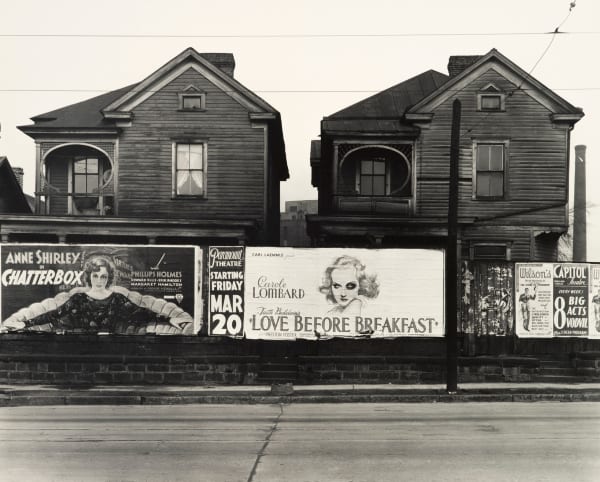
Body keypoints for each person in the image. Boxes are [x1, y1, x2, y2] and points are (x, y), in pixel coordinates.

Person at [2, 255, 190, 334]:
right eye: (95, 275)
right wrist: (24, 323)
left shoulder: (117, 298)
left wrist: (169, 319)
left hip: (114, 352)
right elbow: (52, 314)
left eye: (103, 276)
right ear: (89, 276)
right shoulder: (78, 299)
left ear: (108, 278)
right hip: (81, 349)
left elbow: (142, 312)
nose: (99, 279)